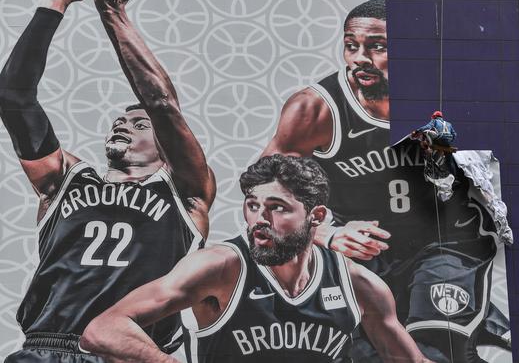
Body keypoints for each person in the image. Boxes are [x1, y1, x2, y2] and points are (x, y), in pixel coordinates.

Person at [262, 0, 506, 362]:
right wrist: (327, 234)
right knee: (369, 353)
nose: (359, 57)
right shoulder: (315, 109)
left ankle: (465, 318)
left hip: (447, 239)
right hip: (367, 250)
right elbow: (266, 195)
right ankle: (478, 324)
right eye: (351, 45)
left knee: (433, 349)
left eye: (376, 46)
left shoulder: (448, 94)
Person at [0, 0, 215, 361]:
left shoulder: (185, 192)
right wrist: (57, 2)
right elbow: (13, 96)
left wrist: (111, 10)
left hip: (129, 352)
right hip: (46, 348)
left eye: (139, 124)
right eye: (121, 120)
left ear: (164, 145)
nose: (123, 123)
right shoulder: (65, 180)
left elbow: (161, 104)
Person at [79, 155, 432, 363]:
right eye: (252, 206)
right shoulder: (221, 266)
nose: (260, 218)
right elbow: (102, 329)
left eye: (277, 208)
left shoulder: (356, 283)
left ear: (317, 216)